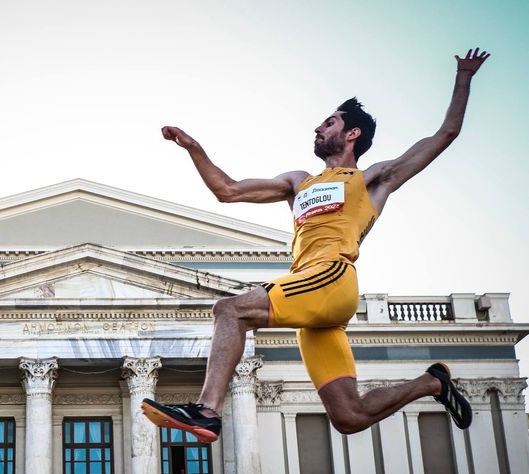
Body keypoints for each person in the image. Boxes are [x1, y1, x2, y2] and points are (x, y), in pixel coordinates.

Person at [142, 48, 490, 443]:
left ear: (352, 133)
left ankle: (205, 411)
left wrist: (464, 77)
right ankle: (431, 385)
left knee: (229, 309)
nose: (318, 129)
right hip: (313, 302)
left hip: (333, 277)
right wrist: (194, 148)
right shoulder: (298, 182)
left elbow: (445, 134)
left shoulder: (373, 179)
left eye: (329, 123)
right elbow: (228, 190)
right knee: (349, 416)